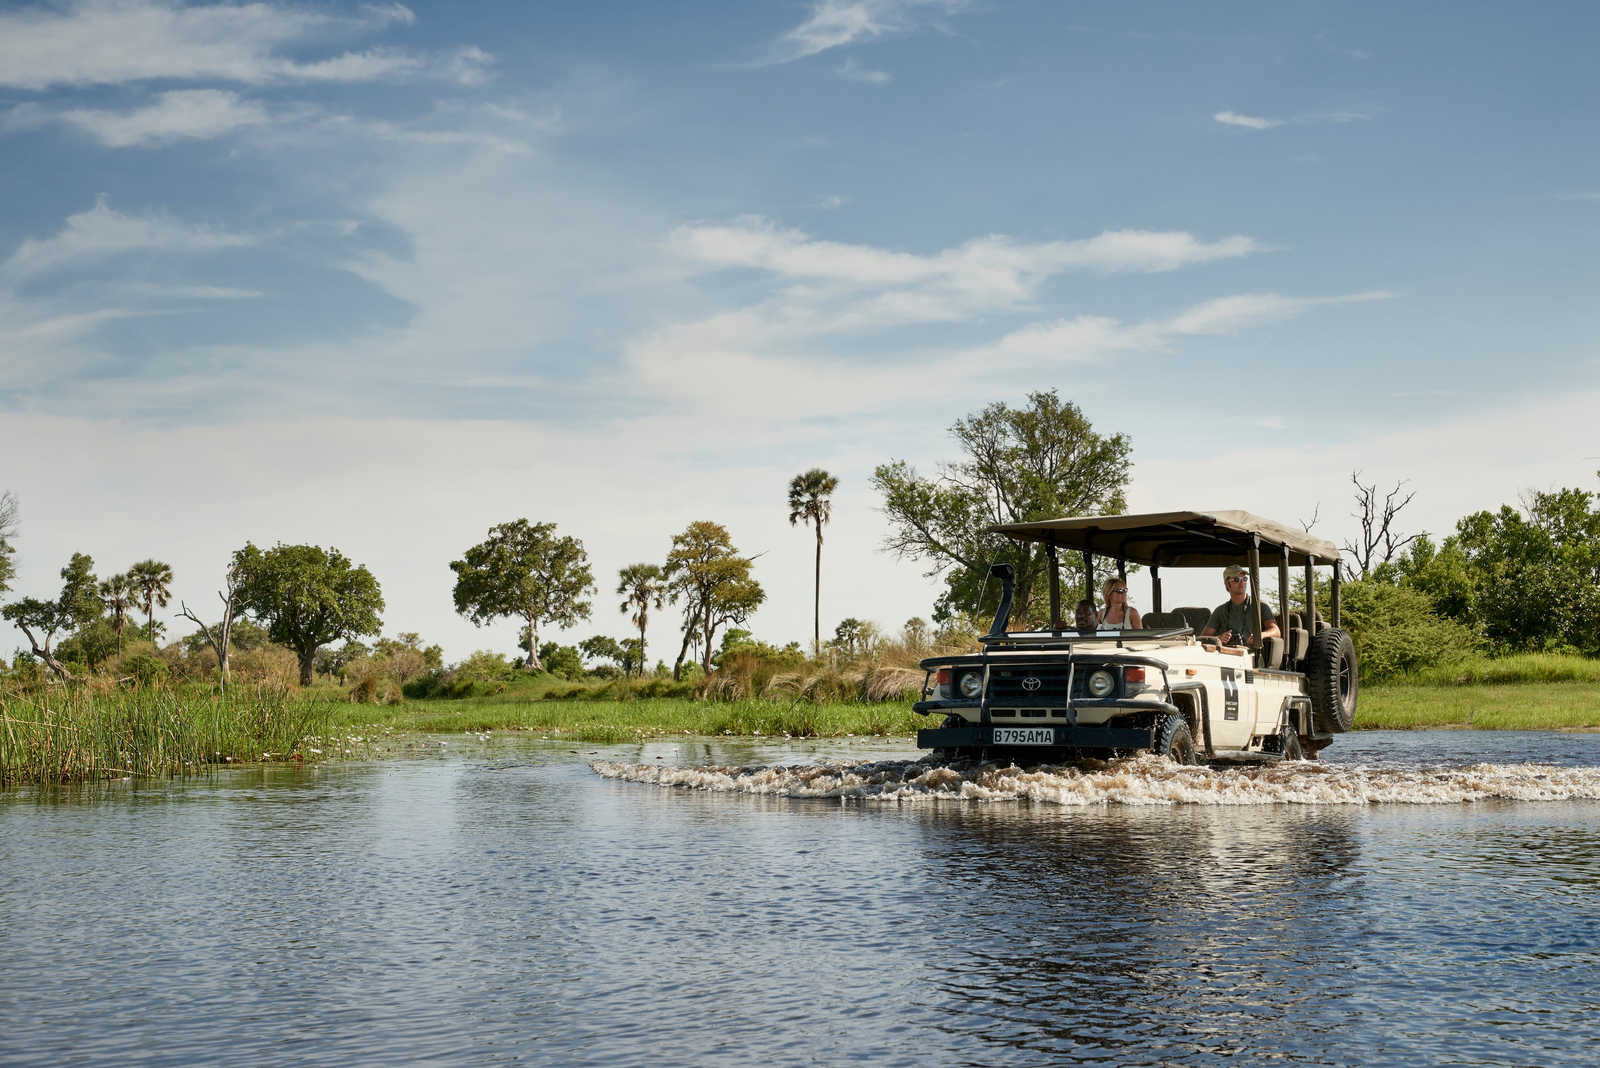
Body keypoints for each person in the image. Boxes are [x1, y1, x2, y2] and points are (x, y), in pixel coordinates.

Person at [1201, 564, 1281, 656]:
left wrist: (1260, 635)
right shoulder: (1220, 610)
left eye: (1244, 578)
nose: (1242, 582)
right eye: (1237, 579)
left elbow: (1276, 631)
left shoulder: (1260, 606)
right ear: (1227, 584)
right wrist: (1219, 638)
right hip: (1227, 655)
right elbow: (1203, 638)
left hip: (1252, 655)